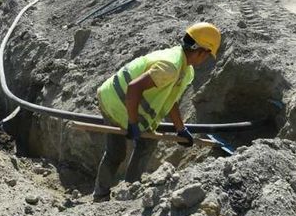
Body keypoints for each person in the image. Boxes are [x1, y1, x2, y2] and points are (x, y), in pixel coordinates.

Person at [93, 22, 222, 202]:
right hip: (115, 102)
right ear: (201, 52)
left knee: (147, 143)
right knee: (116, 153)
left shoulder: (185, 70)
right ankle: (100, 195)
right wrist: (132, 124)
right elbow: (134, 88)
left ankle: (130, 190)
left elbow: (171, 100)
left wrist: (180, 129)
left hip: (129, 105)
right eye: (208, 56)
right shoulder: (171, 66)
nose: (206, 59)